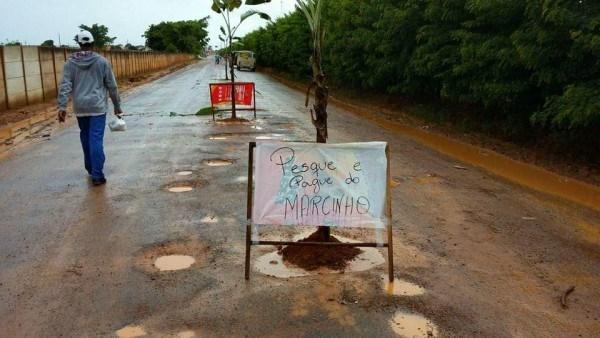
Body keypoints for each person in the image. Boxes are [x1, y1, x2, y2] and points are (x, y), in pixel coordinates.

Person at [57, 31, 123, 186]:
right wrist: (117, 105)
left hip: (80, 107)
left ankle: (90, 167)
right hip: (97, 107)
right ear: (93, 44)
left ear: (79, 44)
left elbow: (65, 86)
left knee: (85, 137)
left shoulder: (70, 63)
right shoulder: (102, 62)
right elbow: (112, 86)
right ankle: (97, 175)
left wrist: (62, 106)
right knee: (95, 139)